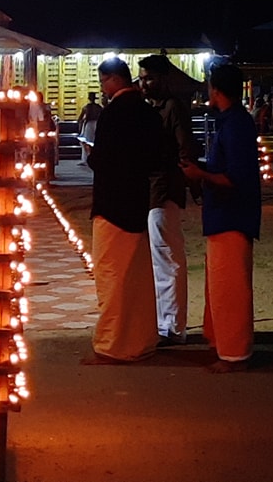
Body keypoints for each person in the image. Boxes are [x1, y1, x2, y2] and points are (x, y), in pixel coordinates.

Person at [182, 61, 261, 372]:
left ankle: (235, 353)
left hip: (232, 215)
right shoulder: (232, 122)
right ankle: (222, 343)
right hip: (224, 216)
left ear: (215, 90)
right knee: (220, 285)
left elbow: (235, 178)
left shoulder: (237, 125)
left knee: (231, 288)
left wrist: (200, 172)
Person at [81, 58, 160, 364]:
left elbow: (104, 160)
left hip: (113, 203)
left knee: (112, 275)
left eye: (103, 82)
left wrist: (91, 155)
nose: (102, 89)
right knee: (137, 276)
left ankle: (113, 343)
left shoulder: (114, 113)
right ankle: (141, 338)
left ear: (113, 80)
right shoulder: (146, 111)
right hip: (137, 200)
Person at [138, 54, 198, 344]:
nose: (143, 83)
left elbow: (185, 150)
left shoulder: (173, 108)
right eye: (141, 78)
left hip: (164, 189)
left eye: (148, 78)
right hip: (153, 190)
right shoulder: (152, 109)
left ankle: (173, 327)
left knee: (167, 258)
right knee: (158, 258)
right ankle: (165, 323)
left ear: (162, 79)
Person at [76, 92, 102, 165]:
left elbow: (80, 118)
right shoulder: (99, 107)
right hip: (97, 123)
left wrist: (80, 126)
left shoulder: (87, 107)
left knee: (87, 142)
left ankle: (86, 159)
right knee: (95, 142)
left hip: (89, 124)